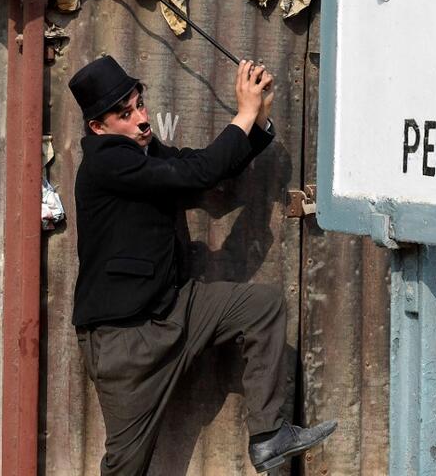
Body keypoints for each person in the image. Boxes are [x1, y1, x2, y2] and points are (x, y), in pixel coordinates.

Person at [68, 55, 336, 475]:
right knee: (126, 468)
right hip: (125, 342)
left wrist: (257, 121)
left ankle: (268, 436)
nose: (141, 119)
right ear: (98, 128)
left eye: (139, 104)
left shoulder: (143, 152)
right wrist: (242, 114)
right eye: (125, 114)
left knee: (261, 306)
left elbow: (200, 169)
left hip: (173, 310)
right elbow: (196, 175)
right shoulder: (107, 162)